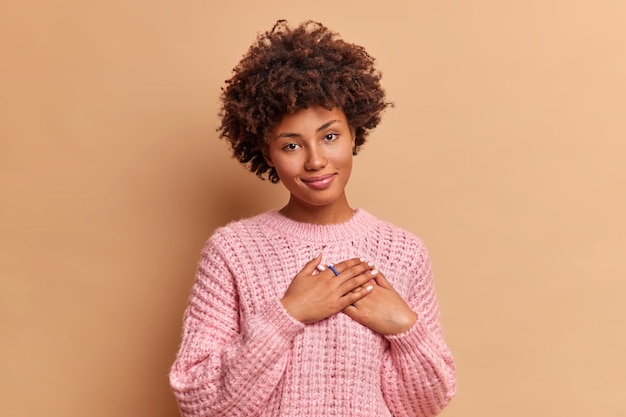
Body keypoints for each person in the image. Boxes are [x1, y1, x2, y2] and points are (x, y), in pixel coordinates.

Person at [169, 20, 456, 417]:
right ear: (268, 154)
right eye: (291, 145)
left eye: (330, 136)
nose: (316, 160)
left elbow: (422, 404)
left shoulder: (404, 252)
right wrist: (288, 314)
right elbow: (199, 399)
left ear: (355, 133)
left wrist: (404, 327)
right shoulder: (233, 250)